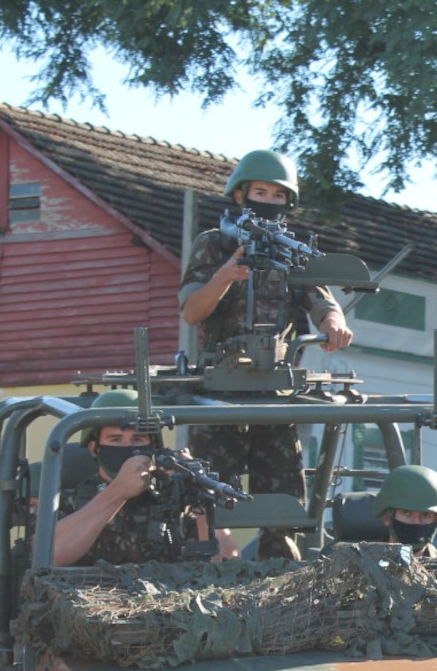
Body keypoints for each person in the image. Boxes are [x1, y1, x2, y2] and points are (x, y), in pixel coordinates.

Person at [178, 149, 354, 560]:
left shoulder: (290, 248)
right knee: (205, 500)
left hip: (276, 394)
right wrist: (225, 275)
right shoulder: (214, 244)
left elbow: (321, 299)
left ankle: (282, 580)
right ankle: (207, 572)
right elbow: (191, 312)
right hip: (218, 396)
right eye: (261, 192)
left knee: (285, 505)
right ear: (240, 196)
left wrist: (333, 323)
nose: (269, 201)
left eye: (278, 196)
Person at [52, 390, 239, 567]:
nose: (128, 448)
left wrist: (202, 501)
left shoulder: (174, 501)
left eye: (138, 439)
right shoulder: (64, 501)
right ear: (94, 448)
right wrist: (118, 491)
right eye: (115, 440)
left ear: (153, 446)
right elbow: (51, 556)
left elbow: (227, 565)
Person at [371, 465, 437, 557]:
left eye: (426, 515)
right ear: (387, 517)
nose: (416, 522)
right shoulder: (360, 565)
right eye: (406, 513)